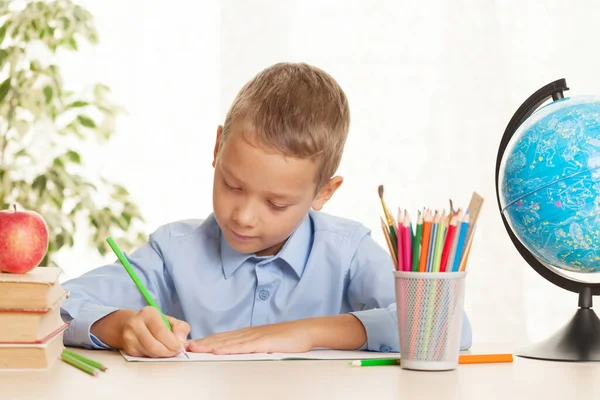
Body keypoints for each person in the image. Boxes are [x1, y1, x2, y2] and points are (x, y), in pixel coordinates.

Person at [60, 62, 472, 358]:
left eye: (276, 203)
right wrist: (115, 325)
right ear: (217, 148)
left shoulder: (346, 252)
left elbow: (448, 325)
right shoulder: (173, 251)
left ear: (324, 192)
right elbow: (58, 303)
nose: (243, 216)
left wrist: (306, 333)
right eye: (232, 185)